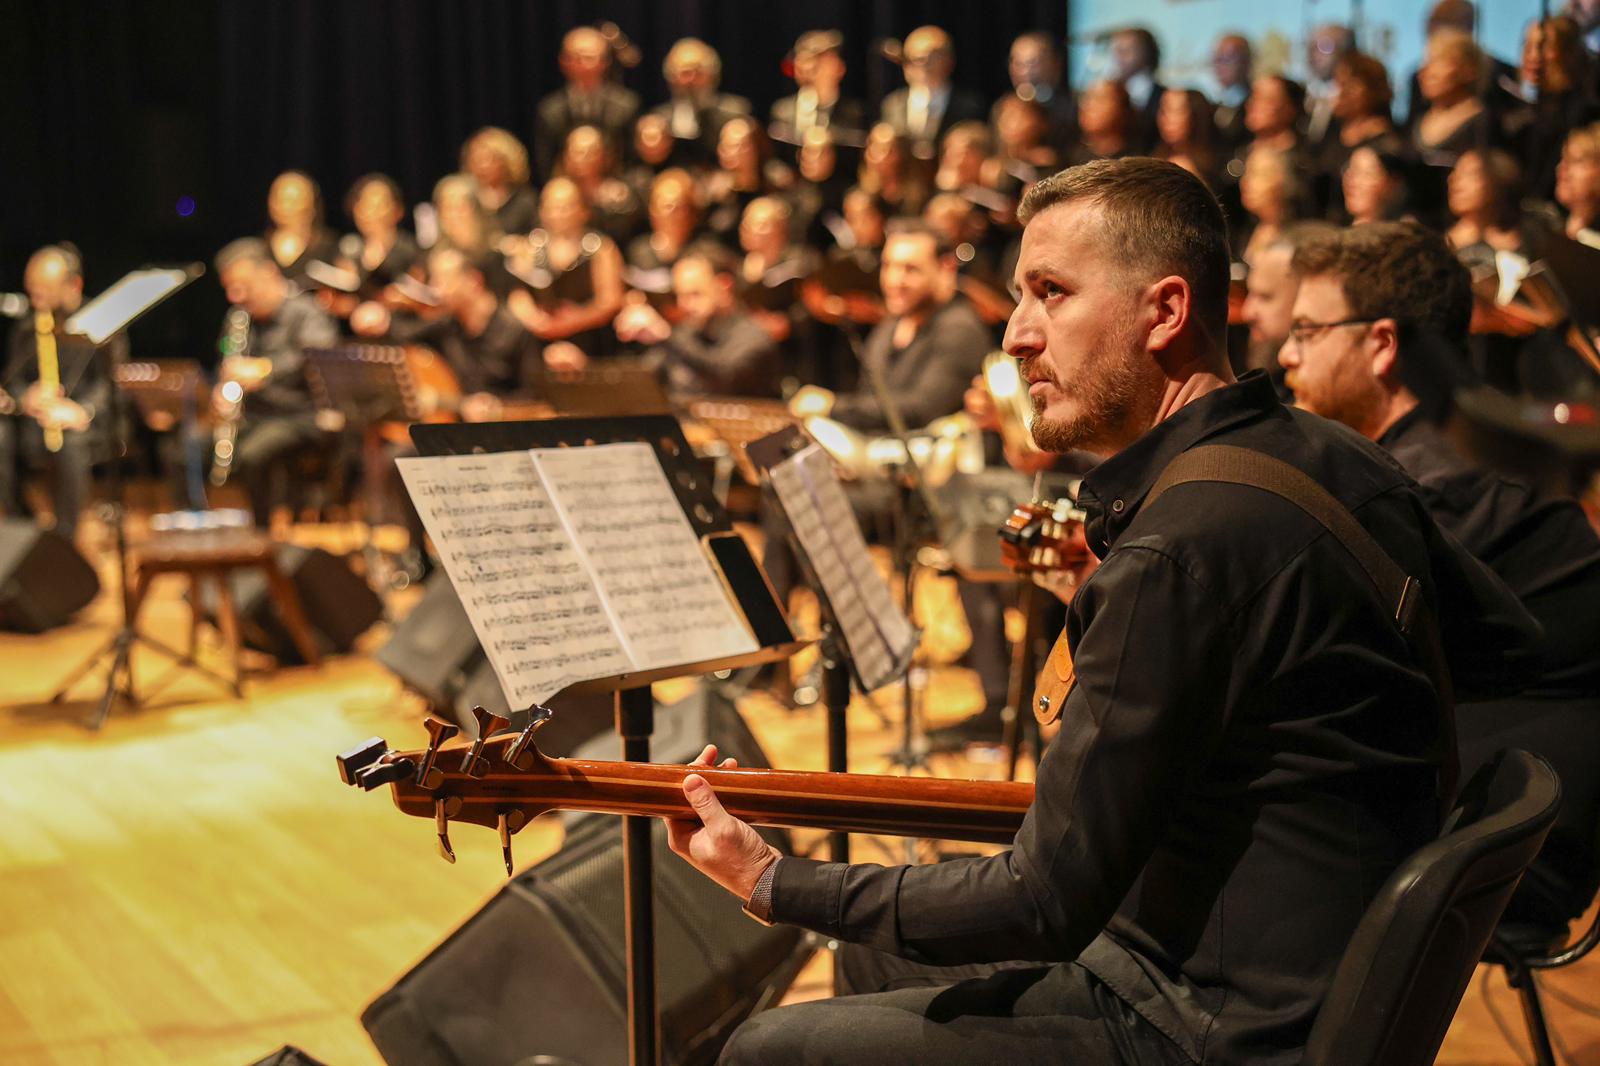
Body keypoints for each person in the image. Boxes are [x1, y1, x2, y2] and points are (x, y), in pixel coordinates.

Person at [667, 158, 1540, 1064]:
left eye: (1050, 293)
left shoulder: (1179, 550)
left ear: (1164, 312)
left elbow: (1043, 904)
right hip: (1292, 969)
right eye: (1018, 297)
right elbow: (1507, 644)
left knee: (767, 1051)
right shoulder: (1339, 454)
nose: (1013, 336)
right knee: (868, 966)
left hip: (1204, 1021)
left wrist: (774, 879)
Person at [1281, 220, 1600, 941]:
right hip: (1480, 803)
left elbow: (1314, 669)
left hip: (1497, 844)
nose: (1285, 353)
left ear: (1383, 344)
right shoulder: (1449, 453)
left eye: (1306, 330)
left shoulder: (1441, 489)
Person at [210, 238, 340, 528]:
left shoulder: (306, 311)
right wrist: (224, 390)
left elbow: (318, 357)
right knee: (184, 449)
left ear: (269, 273)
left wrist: (265, 369)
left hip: (302, 415)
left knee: (254, 454)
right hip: (255, 415)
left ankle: (262, 537)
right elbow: (227, 359)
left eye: (243, 285)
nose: (236, 295)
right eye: (230, 288)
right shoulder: (239, 319)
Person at [0, 245, 116, 542]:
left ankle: (66, 539)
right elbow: (13, 380)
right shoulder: (28, 327)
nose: (35, 298)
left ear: (73, 285)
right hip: (36, 420)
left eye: (44, 290)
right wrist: (27, 396)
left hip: (86, 422)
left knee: (69, 445)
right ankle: (22, 528)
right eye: (31, 290)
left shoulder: (102, 323)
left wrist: (80, 410)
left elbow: (110, 383)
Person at [615, 246, 782, 397]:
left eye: (695, 294)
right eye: (679, 295)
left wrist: (666, 336)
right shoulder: (687, 333)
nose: (683, 304)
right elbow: (645, 377)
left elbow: (725, 376)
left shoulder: (754, 338)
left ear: (724, 287)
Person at [503, 177, 626, 364]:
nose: (558, 213)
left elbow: (611, 300)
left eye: (565, 207)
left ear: (583, 211)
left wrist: (575, 319)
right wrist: (534, 319)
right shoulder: (530, 246)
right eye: (552, 207)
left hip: (590, 339)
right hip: (541, 340)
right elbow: (517, 293)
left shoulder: (601, 248)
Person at [534, 25, 640, 180]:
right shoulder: (549, 111)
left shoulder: (627, 106)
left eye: (589, 57)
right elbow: (544, 165)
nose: (581, 63)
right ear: (563, 62)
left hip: (615, 193)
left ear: (606, 61)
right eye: (574, 57)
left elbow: (633, 160)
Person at [879, 25, 987, 160]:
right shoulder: (893, 104)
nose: (918, 65)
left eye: (928, 58)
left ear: (949, 62)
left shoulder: (969, 107)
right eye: (910, 58)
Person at [652, 38, 752, 170]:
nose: (691, 80)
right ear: (672, 78)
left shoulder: (735, 113)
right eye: (685, 73)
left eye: (698, 71)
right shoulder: (659, 120)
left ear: (713, 74)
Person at [769, 30, 867, 157]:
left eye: (820, 63)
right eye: (803, 62)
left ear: (839, 67)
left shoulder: (855, 113)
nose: (808, 68)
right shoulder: (782, 112)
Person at [263, 170, 338, 287]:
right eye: (279, 199)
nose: (284, 206)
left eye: (292, 200)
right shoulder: (261, 248)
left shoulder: (330, 246)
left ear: (312, 205)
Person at [460, 127, 539, 237]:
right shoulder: (465, 200)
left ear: (506, 161)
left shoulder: (525, 201)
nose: (482, 166)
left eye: (489, 159)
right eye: (476, 159)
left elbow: (537, 238)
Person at [1106, 26, 1167, 153]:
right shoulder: (1111, 95)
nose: (1118, 58)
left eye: (1125, 51)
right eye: (1116, 51)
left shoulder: (1165, 97)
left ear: (1146, 53)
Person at [1210, 33, 1253, 150]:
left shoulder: (1255, 104)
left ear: (1246, 61)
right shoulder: (1213, 106)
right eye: (1216, 58)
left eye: (1226, 58)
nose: (1218, 65)